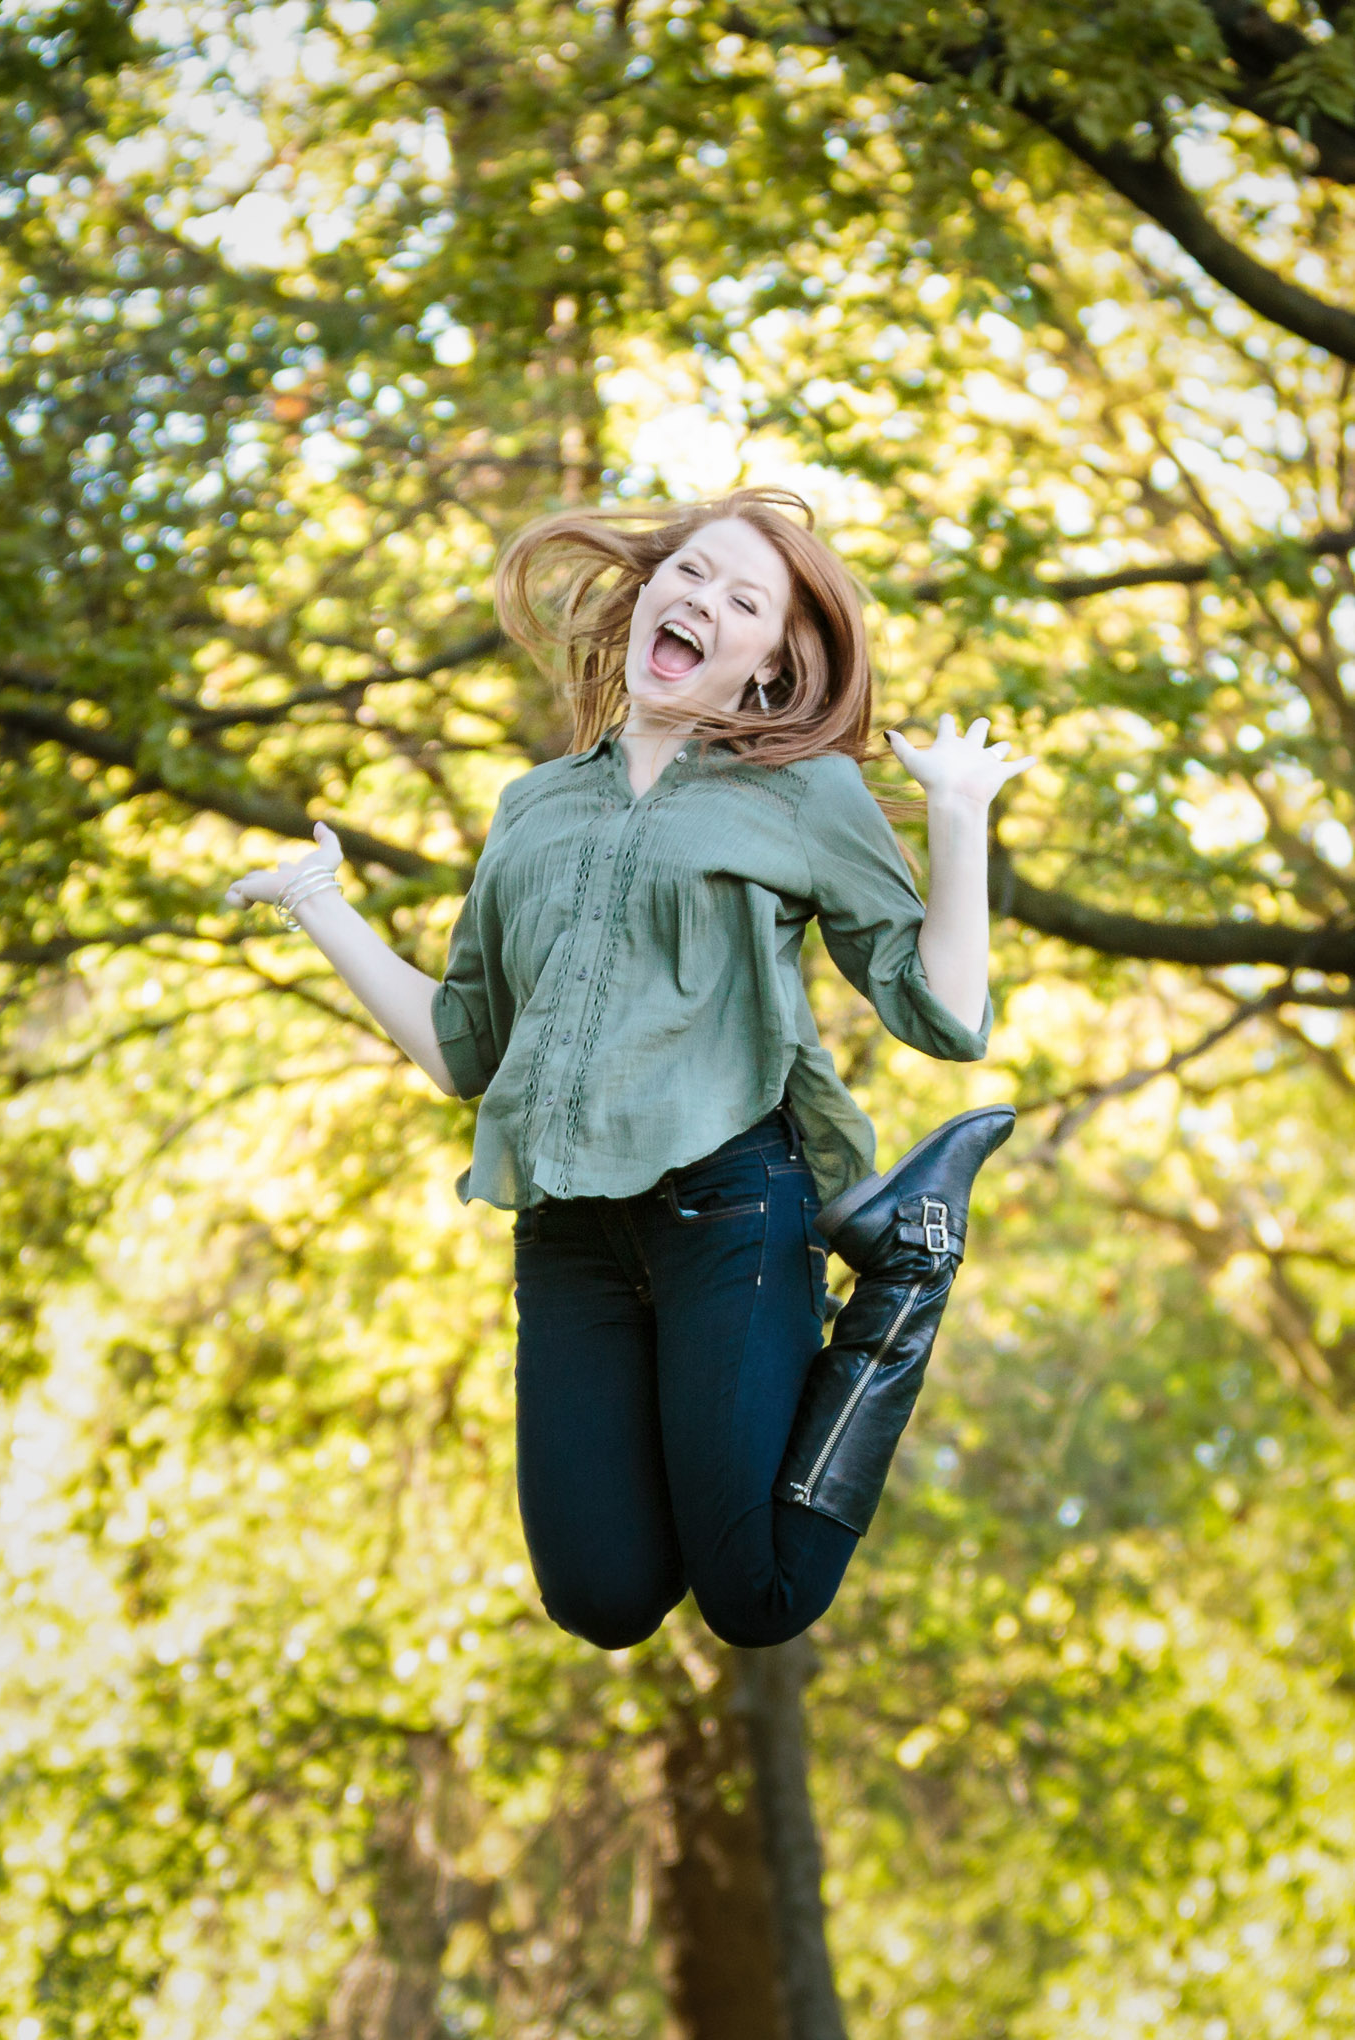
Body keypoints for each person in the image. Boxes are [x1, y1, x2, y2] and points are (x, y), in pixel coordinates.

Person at [224, 488, 1034, 1651]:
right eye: (691, 575)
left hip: (732, 1205)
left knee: (755, 1594)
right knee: (601, 1600)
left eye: (742, 601)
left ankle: (904, 1276)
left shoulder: (802, 793)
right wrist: (318, 906)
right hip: (567, 1234)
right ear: (649, 592)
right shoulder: (531, 807)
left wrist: (958, 816)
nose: (703, 602)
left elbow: (945, 1014)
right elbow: (464, 1047)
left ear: (766, 664)